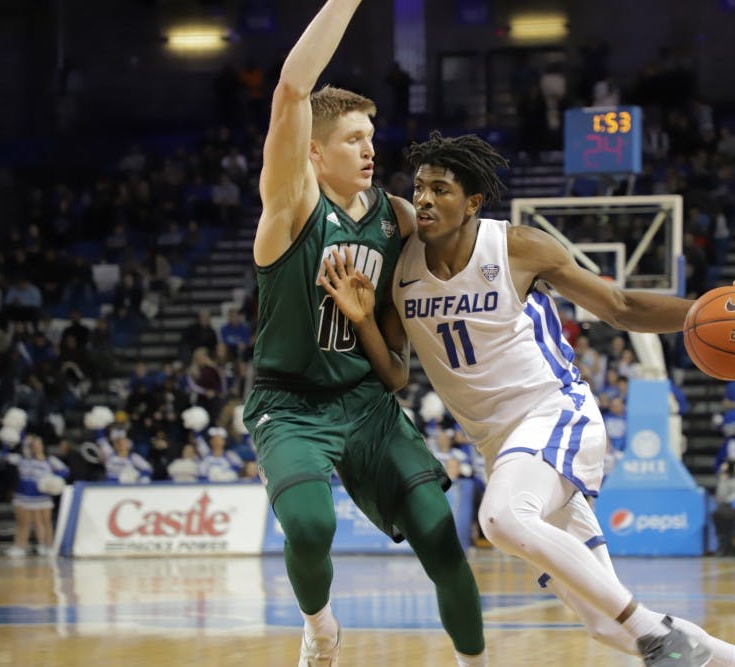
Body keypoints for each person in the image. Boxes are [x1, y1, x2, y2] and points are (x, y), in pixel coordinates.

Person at [319, 132, 735, 667]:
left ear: (472, 203)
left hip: (556, 414)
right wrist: (364, 320)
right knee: (604, 623)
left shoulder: (517, 247)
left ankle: (652, 632)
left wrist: (701, 311)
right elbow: (395, 374)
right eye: (418, 188)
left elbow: (620, 306)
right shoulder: (402, 269)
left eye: (441, 189)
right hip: (504, 449)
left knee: (503, 520)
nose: (424, 199)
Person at [240, 3, 486, 666]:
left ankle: (475, 661)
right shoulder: (291, 206)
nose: (371, 149)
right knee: (312, 526)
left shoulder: (397, 218)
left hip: (367, 400)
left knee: (441, 535)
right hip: (289, 403)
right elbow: (293, 85)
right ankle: (320, 626)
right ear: (313, 152)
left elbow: (470, 245)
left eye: (372, 137)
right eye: (353, 139)